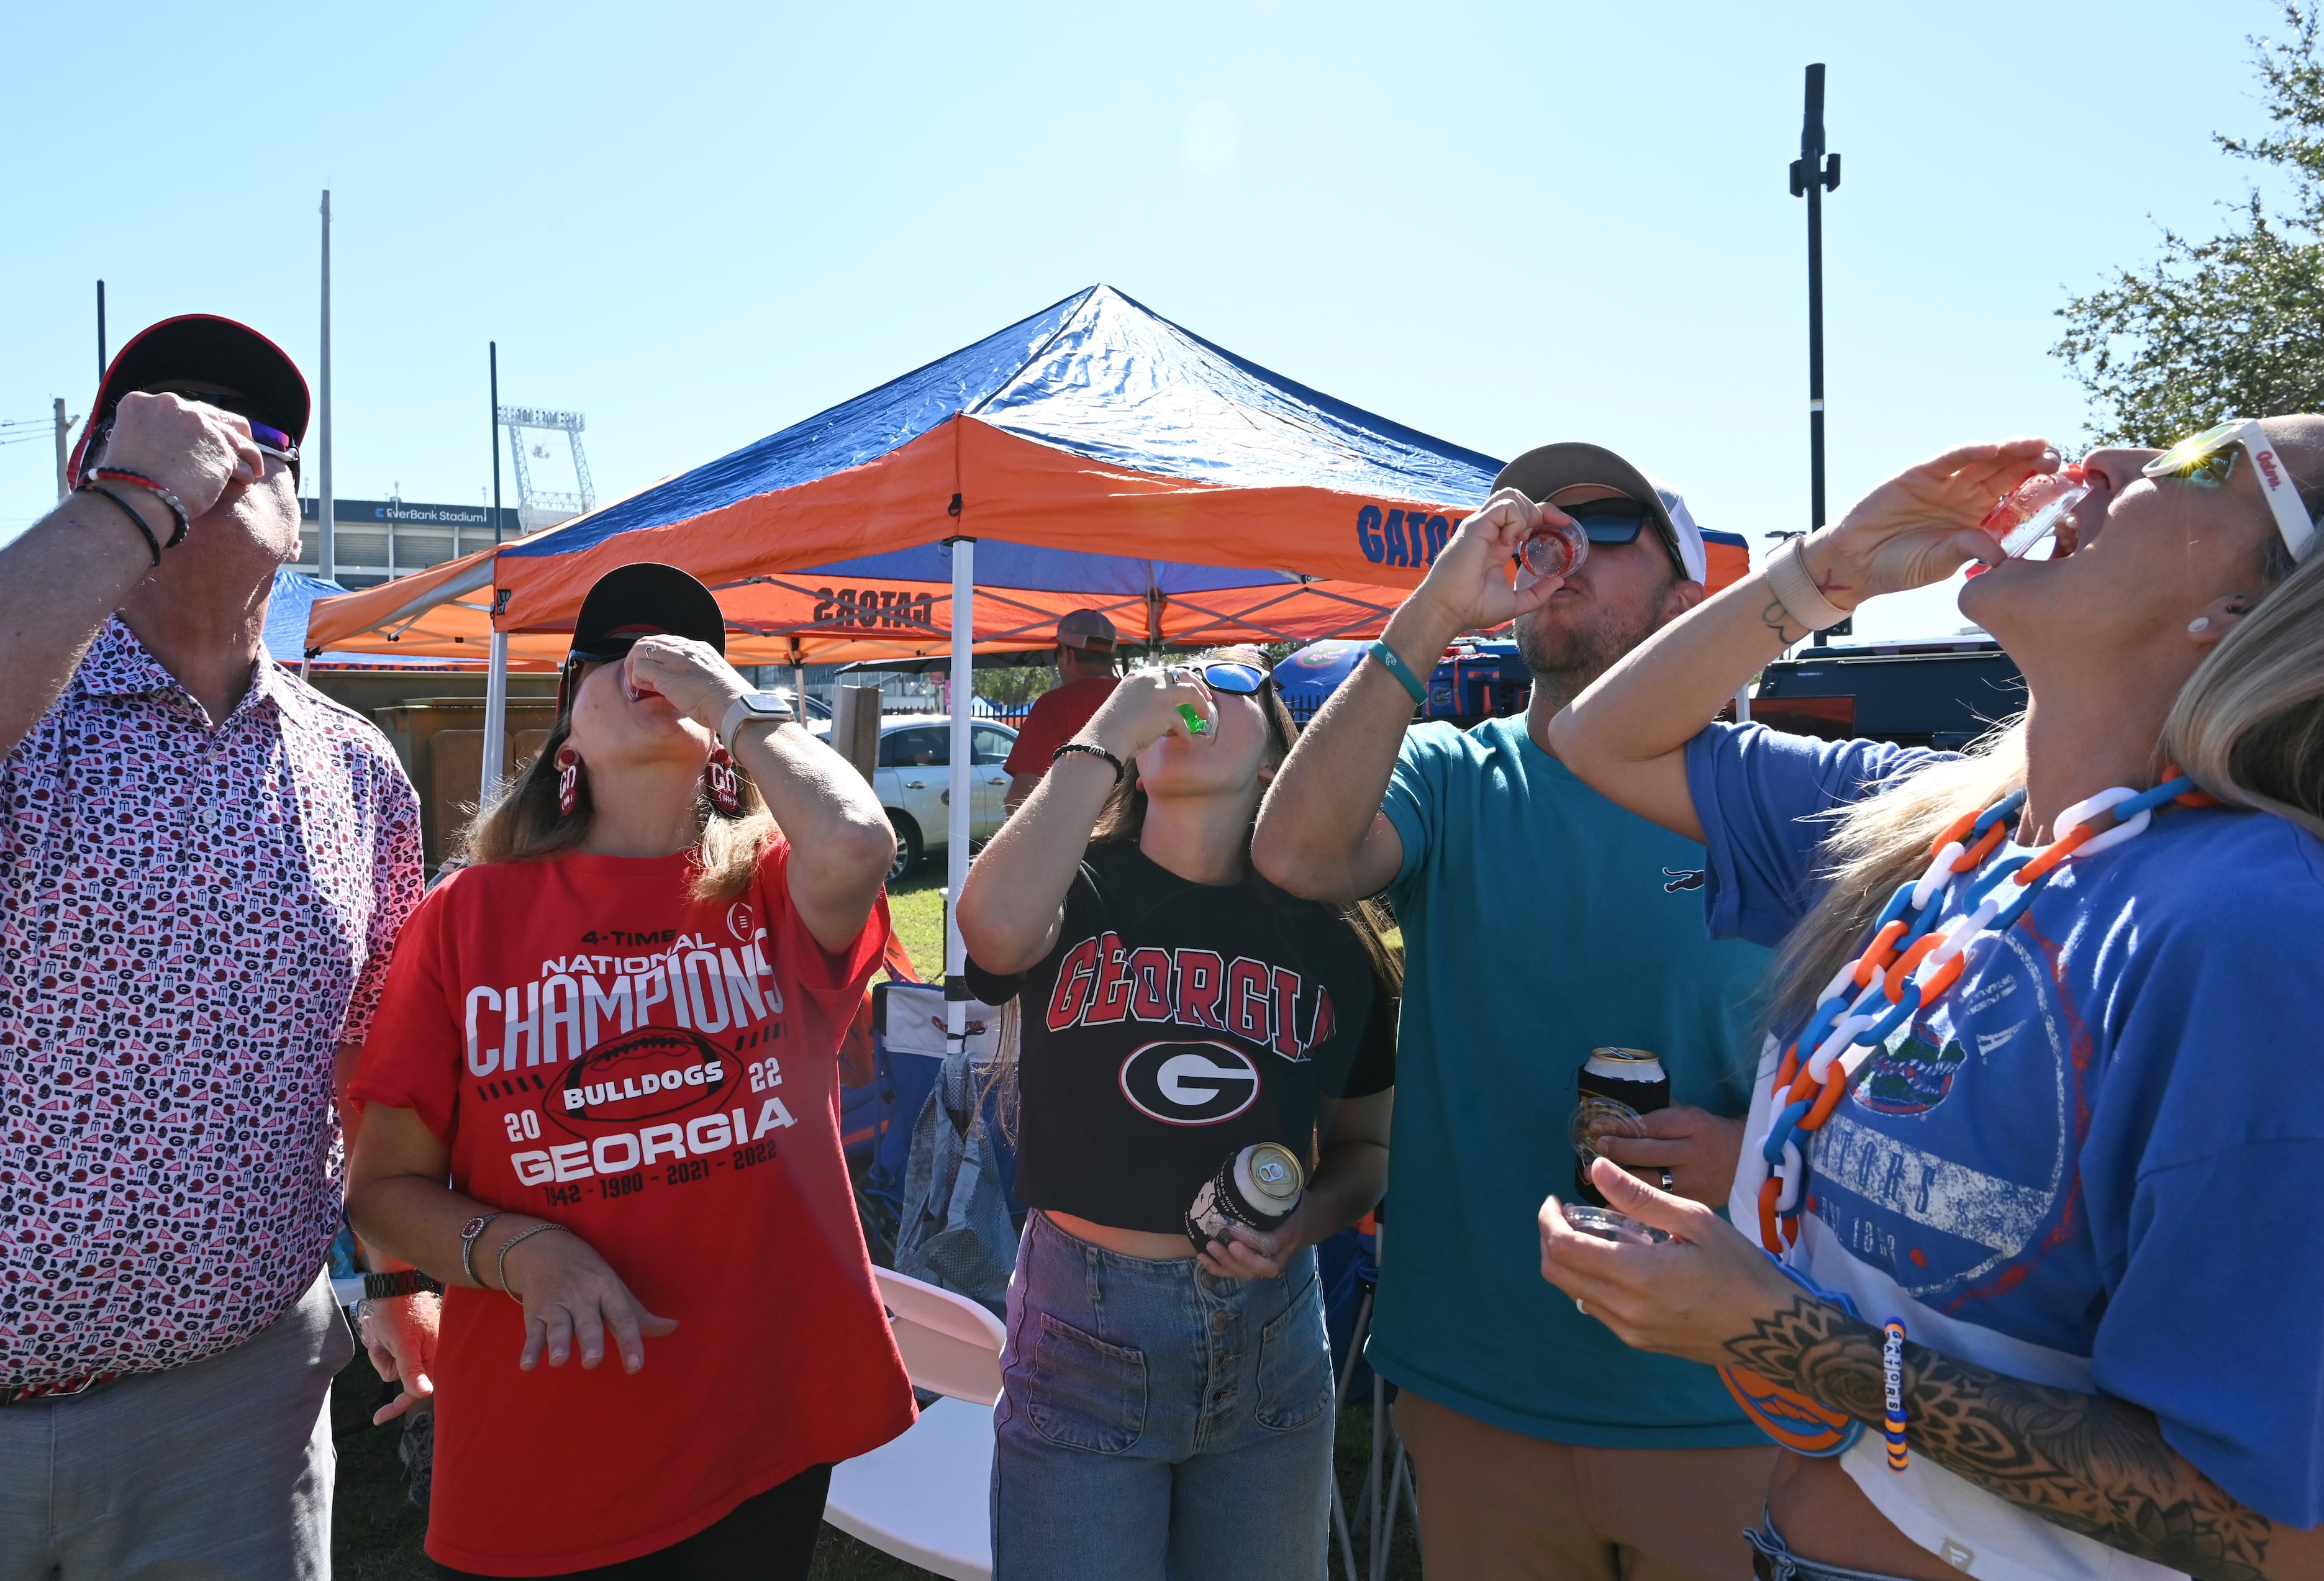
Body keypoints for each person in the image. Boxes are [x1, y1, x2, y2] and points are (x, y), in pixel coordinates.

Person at [1538, 426, 2324, 1581]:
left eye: (2208, 454)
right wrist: (1829, 568)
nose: (2110, 453)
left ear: (2243, 610)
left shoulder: (2253, 929)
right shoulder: (1944, 827)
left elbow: (2266, 1532)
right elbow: (1596, 735)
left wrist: (1781, 1336)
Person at [0, 315, 426, 1580]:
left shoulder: (359, 772)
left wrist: (399, 1270)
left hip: (238, 1419)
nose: (225, 443)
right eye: (169, 414)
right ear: (91, 478)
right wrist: (137, 501)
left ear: (302, 518)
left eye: (263, 433)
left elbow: (371, 1059)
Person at [1251, 444, 1777, 1581]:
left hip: (1725, 1397)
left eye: (1609, 524)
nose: (1562, 544)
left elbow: (1886, 1074)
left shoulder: (1777, 798)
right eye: (1544, 524)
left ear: (1690, 605)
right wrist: (1437, 606)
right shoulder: (1453, 772)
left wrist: (1759, 1154)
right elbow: (1296, 853)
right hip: (1482, 1391)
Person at [345, 562, 911, 1580]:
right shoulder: (467, 917)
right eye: (615, 658)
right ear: (567, 731)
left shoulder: (775, 892)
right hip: (547, 1434)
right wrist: (516, 1252)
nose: (652, 666)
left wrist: (733, 701)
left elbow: (859, 838)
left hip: (761, 1422)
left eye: (685, 655)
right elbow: (383, 1192)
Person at [956, 645, 1400, 1581]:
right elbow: (990, 925)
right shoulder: (1077, 886)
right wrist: (1111, 729)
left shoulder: (1330, 941)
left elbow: (1367, 1146)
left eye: (1230, 682)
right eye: (1169, 676)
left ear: (1279, 760)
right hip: (1083, 1331)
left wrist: (1307, 1220)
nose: (1188, 687)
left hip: (1272, 1337)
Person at [1002, 608, 1122, 812]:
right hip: (1142, 836)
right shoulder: (1144, 699)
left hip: (1079, 840)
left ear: (1068, 654)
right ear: (1111, 656)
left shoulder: (1052, 706)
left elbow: (1020, 801)